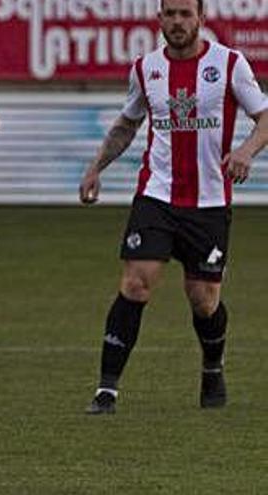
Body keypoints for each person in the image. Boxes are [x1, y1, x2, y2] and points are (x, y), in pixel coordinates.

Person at [79, 0, 268, 414]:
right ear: (159, 18)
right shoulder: (146, 69)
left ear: (201, 18)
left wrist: (247, 151)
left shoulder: (230, 64)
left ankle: (212, 366)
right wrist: (95, 169)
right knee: (135, 283)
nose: (178, 22)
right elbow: (128, 124)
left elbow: (265, 115)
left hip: (210, 202)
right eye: (170, 13)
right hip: (157, 197)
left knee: (203, 300)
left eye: (186, 14)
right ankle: (107, 389)